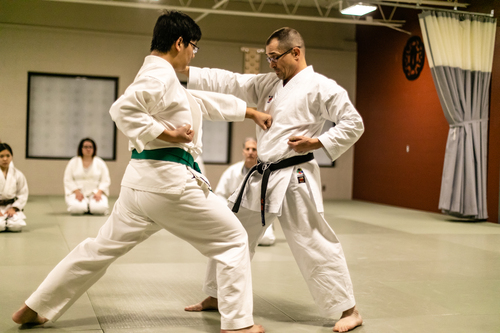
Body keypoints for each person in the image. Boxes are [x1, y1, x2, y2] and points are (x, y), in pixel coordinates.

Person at [12, 10, 271, 333]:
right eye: (193, 46)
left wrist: (249, 112)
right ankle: (237, 325)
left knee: (97, 250)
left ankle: (36, 305)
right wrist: (169, 134)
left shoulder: (163, 78)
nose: (193, 53)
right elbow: (122, 109)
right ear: (179, 42)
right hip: (169, 184)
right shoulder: (159, 76)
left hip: (140, 186)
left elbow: (200, 101)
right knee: (233, 239)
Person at [184, 27, 365, 332]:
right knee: (232, 233)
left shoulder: (321, 86)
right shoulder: (270, 82)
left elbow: (353, 123)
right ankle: (217, 295)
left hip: (295, 175)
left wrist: (317, 143)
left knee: (312, 240)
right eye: (267, 57)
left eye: (274, 57)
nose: (270, 63)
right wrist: (185, 69)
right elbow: (231, 81)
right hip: (262, 176)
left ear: (296, 52)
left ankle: (349, 310)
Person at [215, 137, 275, 246]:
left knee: (266, 239)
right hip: (235, 214)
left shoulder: (267, 172)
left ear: (259, 152)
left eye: (254, 149)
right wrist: (228, 212)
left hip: (259, 214)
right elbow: (219, 194)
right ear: (243, 151)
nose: (250, 152)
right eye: (248, 149)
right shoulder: (232, 171)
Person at [64, 138, 110, 215]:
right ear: (81, 149)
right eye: (85, 147)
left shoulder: (100, 162)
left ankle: (90, 206)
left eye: (90, 147)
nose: (88, 149)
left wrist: (99, 192)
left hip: (95, 193)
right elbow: (68, 179)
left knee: (100, 209)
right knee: (76, 209)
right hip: (78, 193)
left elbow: (105, 180)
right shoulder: (73, 162)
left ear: (94, 149)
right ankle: (85, 206)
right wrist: (76, 191)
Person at [0, 143, 28, 232]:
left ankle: (8, 219)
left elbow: (23, 193)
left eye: (8, 156)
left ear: (12, 157)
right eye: (1, 156)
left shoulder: (18, 174)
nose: (5, 159)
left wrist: (14, 208)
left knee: (16, 226)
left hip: (10, 206)